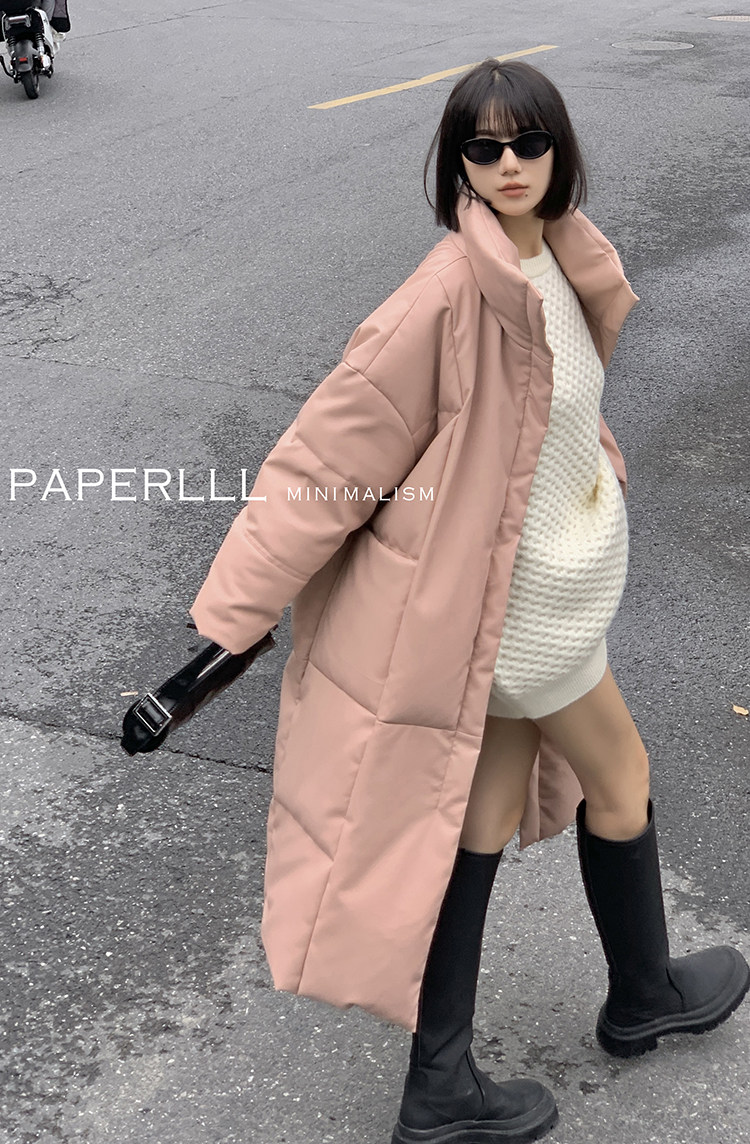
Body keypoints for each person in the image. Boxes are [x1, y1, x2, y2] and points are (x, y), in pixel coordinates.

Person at [188, 58, 750, 1143]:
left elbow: (546, 409)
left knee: (480, 817)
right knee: (621, 778)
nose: (508, 165)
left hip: (543, 596)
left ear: (559, 149)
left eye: (527, 142)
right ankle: (643, 996)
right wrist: (225, 628)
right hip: (526, 614)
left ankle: (440, 1084)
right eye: (482, 149)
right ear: (457, 164)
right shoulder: (446, 294)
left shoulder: (556, 255)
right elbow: (325, 461)